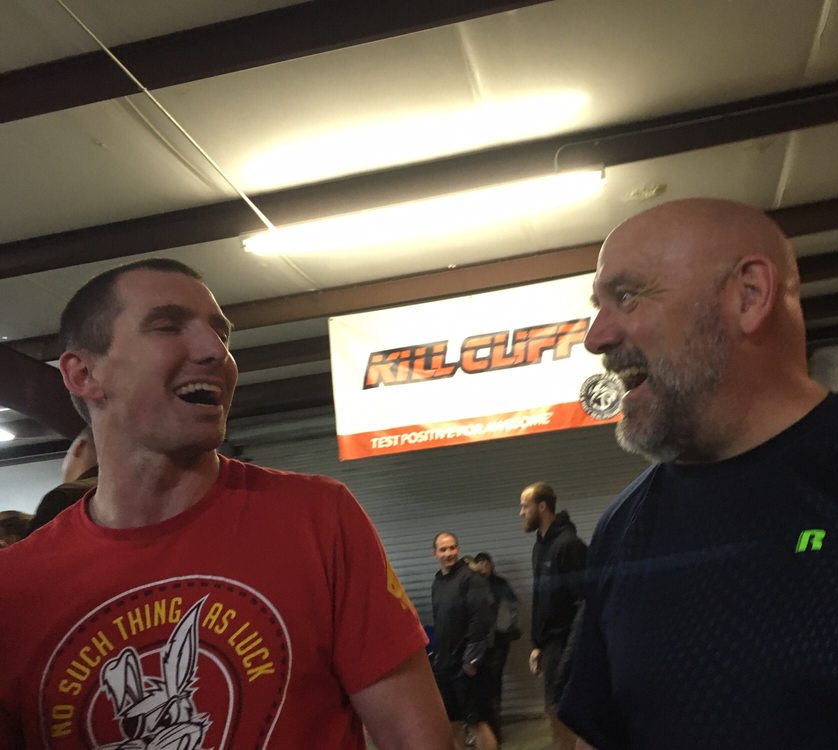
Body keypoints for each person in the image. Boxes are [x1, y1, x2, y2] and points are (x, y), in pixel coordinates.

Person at [558, 198, 838, 749]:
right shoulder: (621, 532)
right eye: (597, 306)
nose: (595, 337)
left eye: (626, 296)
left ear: (749, 295)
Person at [0, 258, 452, 749]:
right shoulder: (15, 588)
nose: (215, 351)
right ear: (84, 373)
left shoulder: (318, 518)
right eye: (169, 326)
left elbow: (417, 738)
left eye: (221, 334)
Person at [518, 481, 587, 750]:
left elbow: (586, 602)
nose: (521, 512)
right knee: (553, 710)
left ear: (542, 507)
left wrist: (571, 651)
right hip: (550, 645)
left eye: (525, 506)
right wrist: (537, 644)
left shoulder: (569, 545)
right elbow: (541, 600)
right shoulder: (540, 547)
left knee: (563, 711)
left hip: (567, 643)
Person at [430, 532, 498, 750]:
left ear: (458, 550)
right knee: (452, 724)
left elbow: (481, 619)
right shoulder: (438, 582)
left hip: (467, 667)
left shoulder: (471, 579)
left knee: (477, 722)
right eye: (443, 549)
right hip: (445, 666)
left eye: (452, 548)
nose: (448, 553)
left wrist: (471, 661)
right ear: (435, 554)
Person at [473, 551, 521, 739]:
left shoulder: (500, 584)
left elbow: (513, 606)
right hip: (479, 643)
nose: (484, 567)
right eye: (481, 564)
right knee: (480, 685)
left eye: (487, 563)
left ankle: (495, 728)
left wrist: (508, 627)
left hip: (499, 641)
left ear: (491, 565)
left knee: (494, 682)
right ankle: (485, 727)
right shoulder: (473, 585)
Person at [26, 425, 99, 535]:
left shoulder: (64, 496)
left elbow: (37, 545)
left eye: (67, 453)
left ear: (79, 447)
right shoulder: (124, 494)